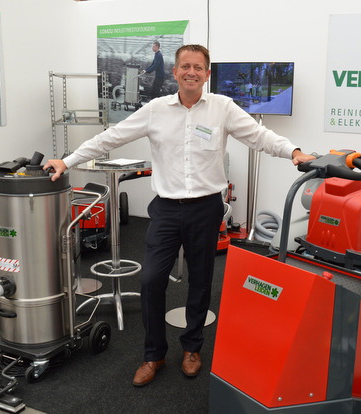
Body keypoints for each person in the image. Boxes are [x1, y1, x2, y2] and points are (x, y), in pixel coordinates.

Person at [44, 44, 315, 387]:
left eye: (198, 67)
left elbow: (259, 137)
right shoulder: (156, 110)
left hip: (206, 208)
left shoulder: (222, 108)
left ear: (207, 74)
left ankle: (192, 348)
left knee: (200, 281)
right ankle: (153, 354)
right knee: (151, 280)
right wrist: (67, 161)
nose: (191, 72)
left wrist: (292, 151)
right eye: (185, 66)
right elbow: (111, 137)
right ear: (174, 72)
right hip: (167, 210)